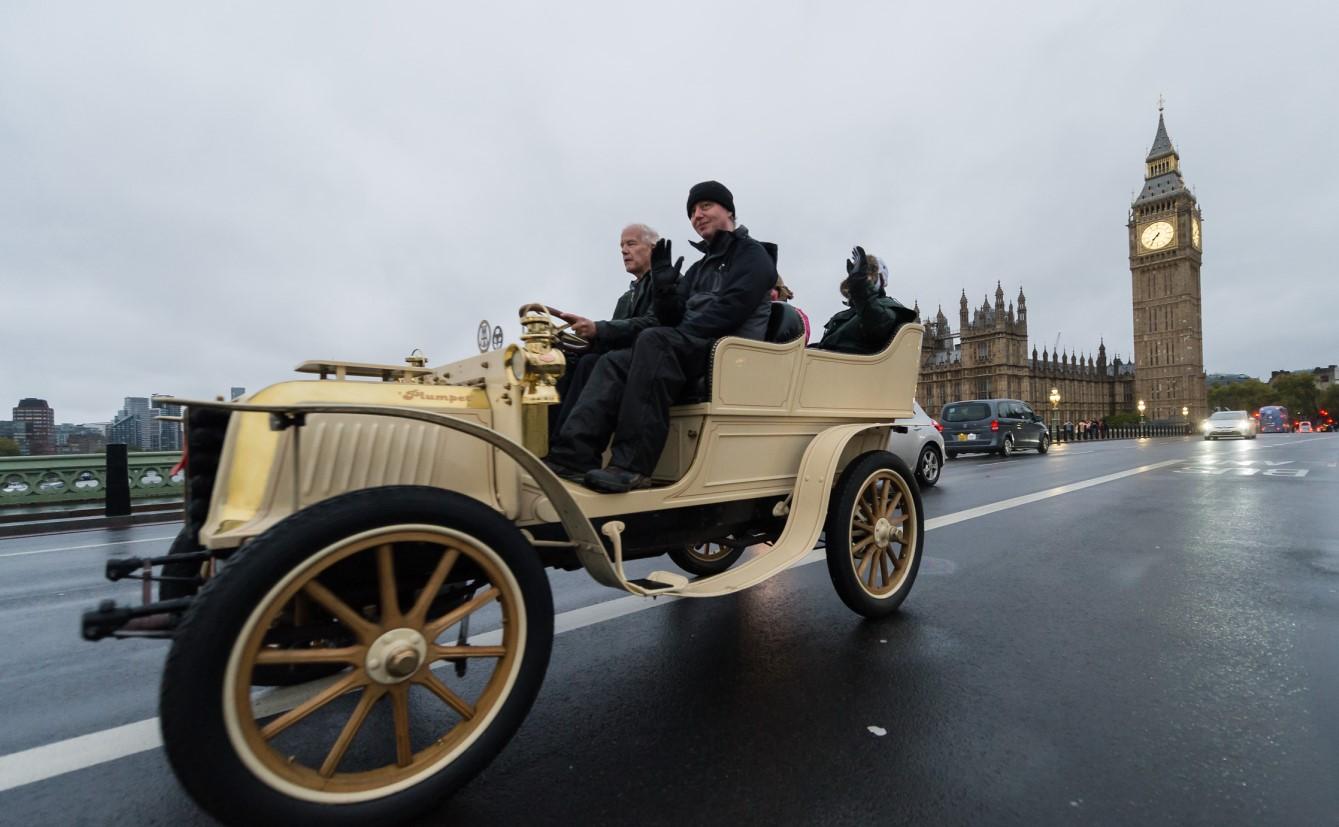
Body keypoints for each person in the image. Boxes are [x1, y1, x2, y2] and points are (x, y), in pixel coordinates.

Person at [545, 180, 776, 492]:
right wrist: (666, 289)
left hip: (727, 352)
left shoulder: (753, 255)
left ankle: (632, 466)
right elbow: (671, 315)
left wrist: (677, 332)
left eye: (705, 206)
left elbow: (731, 310)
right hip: (691, 347)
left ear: (729, 211)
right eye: (693, 211)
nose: (698, 215)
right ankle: (573, 457)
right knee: (611, 361)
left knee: (654, 340)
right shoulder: (698, 268)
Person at [545, 224, 661, 431]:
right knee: (565, 362)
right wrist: (577, 340)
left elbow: (652, 323)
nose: (624, 251)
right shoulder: (626, 297)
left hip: (648, 361)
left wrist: (597, 329)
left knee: (591, 363)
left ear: (653, 248)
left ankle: (570, 441)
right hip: (624, 357)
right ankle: (549, 440)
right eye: (622, 246)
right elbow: (615, 337)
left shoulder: (667, 286)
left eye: (631, 244)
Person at [811, 246, 917, 354]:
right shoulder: (844, 315)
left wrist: (861, 289)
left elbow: (878, 324)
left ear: (881, 279)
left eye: (869, 274)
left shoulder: (889, 307)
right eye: (861, 273)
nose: (866, 278)